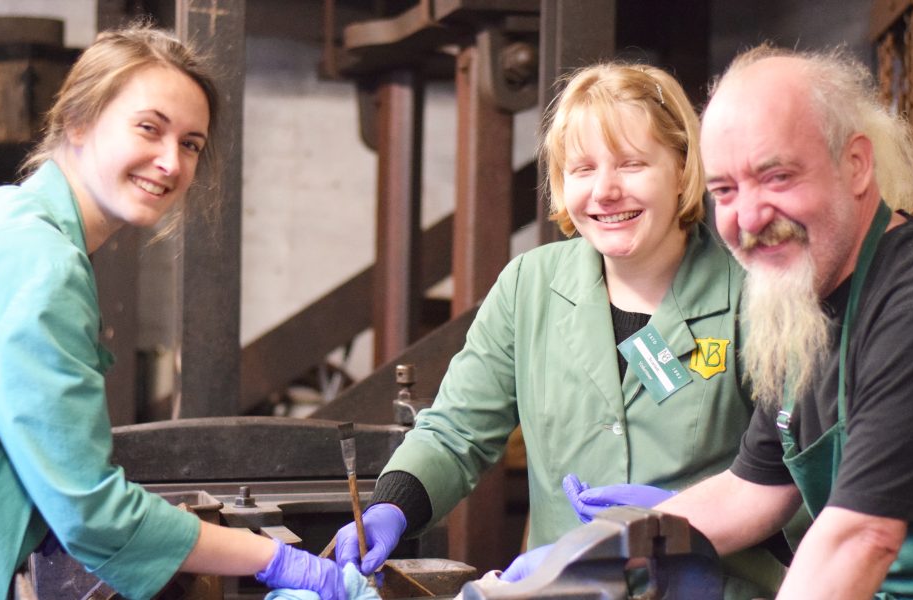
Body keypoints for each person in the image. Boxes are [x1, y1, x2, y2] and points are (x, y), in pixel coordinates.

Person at [0, 24, 344, 600]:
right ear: (78, 121)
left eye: (190, 144)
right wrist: (280, 560)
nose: (170, 162)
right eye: (149, 129)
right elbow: (91, 510)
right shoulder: (45, 266)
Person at [333, 62, 785, 597]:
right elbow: (456, 432)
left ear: (683, 167)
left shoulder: (755, 296)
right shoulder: (530, 285)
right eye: (583, 169)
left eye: (632, 164)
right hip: (562, 587)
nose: (606, 191)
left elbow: (792, 475)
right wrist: (393, 504)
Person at [637, 43, 913, 598]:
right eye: (724, 190)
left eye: (776, 177)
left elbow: (859, 537)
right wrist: (606, 554)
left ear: (856, 165)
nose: (747, 217)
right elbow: (750, 492)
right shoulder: (802, 307)